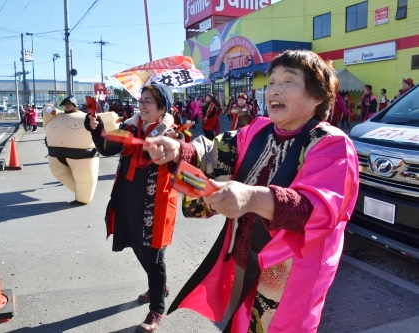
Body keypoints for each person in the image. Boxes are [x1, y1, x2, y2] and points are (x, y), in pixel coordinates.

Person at [143, 50, 359, 333]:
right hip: (243, 258)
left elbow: (316, 209)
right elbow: (215, 151)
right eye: (271, 82)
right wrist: (178, 151)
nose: (274, 91)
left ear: (318, 96)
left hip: (290, 275)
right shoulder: (258, 129)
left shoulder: (330, 144)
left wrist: (253, 197)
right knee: (237, 322)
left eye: (289, 81)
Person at [85, 84, 178, 333]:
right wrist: (97, 130)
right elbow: (108, 147)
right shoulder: (129, 127)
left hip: (155, 204)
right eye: (142, 100)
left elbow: (179, 165)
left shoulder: (172, 133)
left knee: (154, 255)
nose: (143, 105)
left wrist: (164, 149)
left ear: (162, 108)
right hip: (128, 198)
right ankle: (159, 285)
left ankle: (157, 307)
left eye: (149, 101)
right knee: (137, 245)